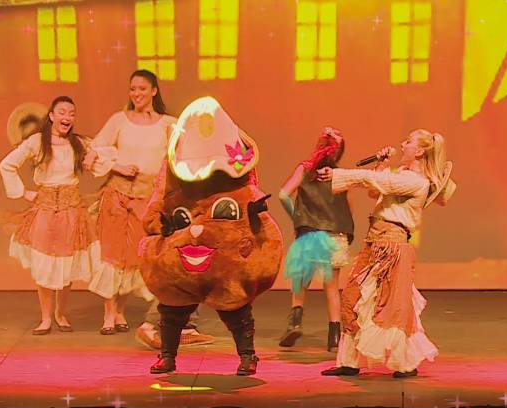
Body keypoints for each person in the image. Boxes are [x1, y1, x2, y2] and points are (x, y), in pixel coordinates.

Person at [139, 97, 283, 376]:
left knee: (234, 303)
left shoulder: (235, 173)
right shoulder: (173, 168)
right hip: (183, 244)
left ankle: (248, 356)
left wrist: (253, 214)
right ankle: (167, 356)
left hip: (222, 249)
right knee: (172, 306)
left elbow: (249, 193)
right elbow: (159, 196)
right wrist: (158, 222)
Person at [88, 70, 213, 347]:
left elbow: (185, 153)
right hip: (118, 194)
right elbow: (94, 150)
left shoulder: (168, 124)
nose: (137, 94)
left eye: (142, 89)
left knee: (137, 255)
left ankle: (128, 313)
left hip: (148, 197)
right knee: (112, 254)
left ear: (154, 91)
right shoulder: (119, 120)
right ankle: (110, 314)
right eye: (133, 89)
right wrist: (117, 166)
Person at [317, 129, 455, 378]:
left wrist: (338, 174)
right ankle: (349, 362)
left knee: (395, 308)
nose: (402, 144)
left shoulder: (416, 181)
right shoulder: (402, 175)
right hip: (375, 243)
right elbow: (376, 190)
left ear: (419, 151)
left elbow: (376, 183)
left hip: (393, 248)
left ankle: (405, 364)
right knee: (354, 299)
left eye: (408, 142)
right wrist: (382, 165)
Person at [0, 96, 100, 335]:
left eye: (71, 113)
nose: (67, 117)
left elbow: (105, 152)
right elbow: (7, 165)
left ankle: (60, 314)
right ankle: (45, 318)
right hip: (45, 210)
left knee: (66, 265)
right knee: (44, 265)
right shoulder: (37, 141)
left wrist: (93, 155)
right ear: (52, 116)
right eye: (62, 112)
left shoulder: (78, 143)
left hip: (71, 210)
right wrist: (23, 193)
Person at [278, 127, 354, 351]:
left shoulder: (305, 169)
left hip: (310, 234)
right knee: (332, 288)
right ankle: (334, 337)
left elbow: (283, 194)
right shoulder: (341, 175)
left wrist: (297, 217)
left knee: (301, 280)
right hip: (335, 235)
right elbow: (348, 209)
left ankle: (295, 321)